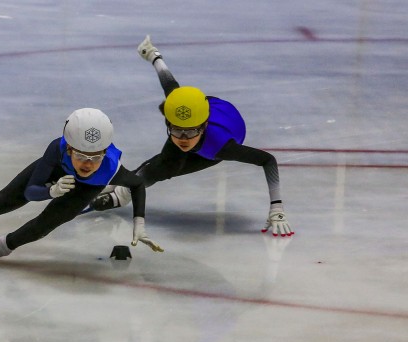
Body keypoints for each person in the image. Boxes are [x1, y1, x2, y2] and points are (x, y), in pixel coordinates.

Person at [0, 108, 163, 267]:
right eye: (81, 156)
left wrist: (139, 223)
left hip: (86, 190)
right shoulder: (56, 150)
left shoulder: (110, 167)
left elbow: (138, 184)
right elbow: (29, 192)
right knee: (1, 202)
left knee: (44, 225)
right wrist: (50, 191)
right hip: (54, 177)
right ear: (69, 149)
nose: (88, 164)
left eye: (96, 158)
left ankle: (0, 247)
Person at [89, 35, 294, 237]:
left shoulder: (221, 146)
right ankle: (121, 190)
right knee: (160, 166)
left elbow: (268, 160)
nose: (184, 139)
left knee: (167, 167)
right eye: (177, 131)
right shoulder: (180, 112)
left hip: (217, 138)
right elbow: (170, 84)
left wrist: (276, 207)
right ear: (169, 124)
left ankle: (121, 194)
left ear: (203, 126)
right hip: (202, 120)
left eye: (191, 132)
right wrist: (153, 55)